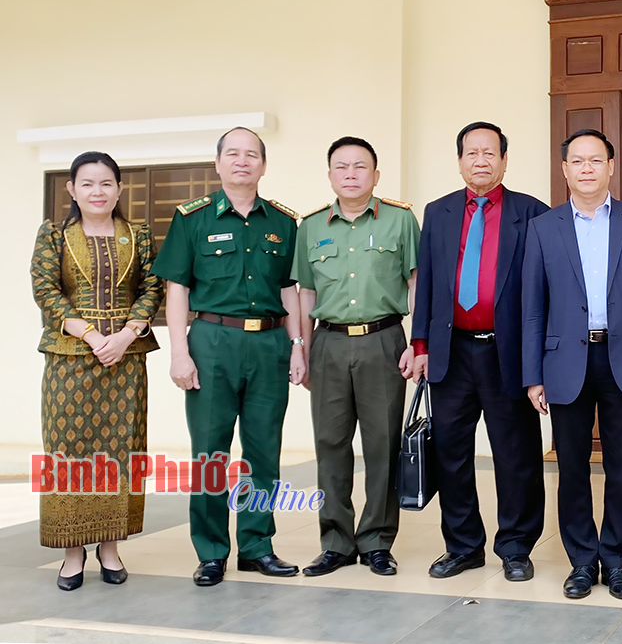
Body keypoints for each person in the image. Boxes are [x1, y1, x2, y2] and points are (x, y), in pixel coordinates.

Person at [522, 128, 622, 601]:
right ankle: (582, 561)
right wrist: (532, 375)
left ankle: (617, 560)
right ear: (564, 170)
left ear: (611, 166)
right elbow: (532, 307)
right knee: (571, 467)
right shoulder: (543, 227)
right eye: (577, 161)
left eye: (596, 160)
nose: (587, 169)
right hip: (565, 361)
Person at [154, 127, 306, 587]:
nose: (243, 161)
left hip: (269, 344)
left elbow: (290, 289)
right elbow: (176, 288)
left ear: (263, 165)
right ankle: (212, 551)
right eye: (233, 154)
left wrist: (299, 347)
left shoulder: (283, 222)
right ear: (218, 163)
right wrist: (179, 352)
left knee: (264, 452)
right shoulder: (193, 218)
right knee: (210, 452)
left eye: (252, 155)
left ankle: (258, 547)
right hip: (212, 341)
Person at [401, 121, 548, 582]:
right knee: (451, 454)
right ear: (460, 159)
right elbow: (426, 283)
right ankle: (464, 546)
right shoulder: (438, 212)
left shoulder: (533, 214)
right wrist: (420, 343)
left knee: (516, 454)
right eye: (471, 152)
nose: (480, 160)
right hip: (450, 352)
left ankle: (516, 546)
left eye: (489, 152)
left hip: (508, 354)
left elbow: (543, 291)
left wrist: (538, 359)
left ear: (504, 160)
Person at [31, 151, 164, 591]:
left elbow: (151, 286)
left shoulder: (138, 234)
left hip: (126, 358)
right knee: (69, 448)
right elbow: (45, 290)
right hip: (70, 357)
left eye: (106, 183)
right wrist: (90, 335)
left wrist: (126, 335)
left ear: (119, 189)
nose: (97, 191)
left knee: (121, 448)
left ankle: (110, 546)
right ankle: (73, 551)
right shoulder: (53, 236)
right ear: (71, 189)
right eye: (87, 183)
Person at [293, 136, 419, 577]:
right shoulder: (309, 227)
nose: (350, 174)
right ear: (330, 175)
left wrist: (419, 345)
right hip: (327, 342)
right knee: (330, 444)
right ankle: (336, 542)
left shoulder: (400, 220)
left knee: (382, 444)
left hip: (383, 340)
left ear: (376, 175)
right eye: (341, 167)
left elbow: (416, 282)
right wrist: (301, 348)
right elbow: (304, 291)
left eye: (360, 167)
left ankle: (377, 541)